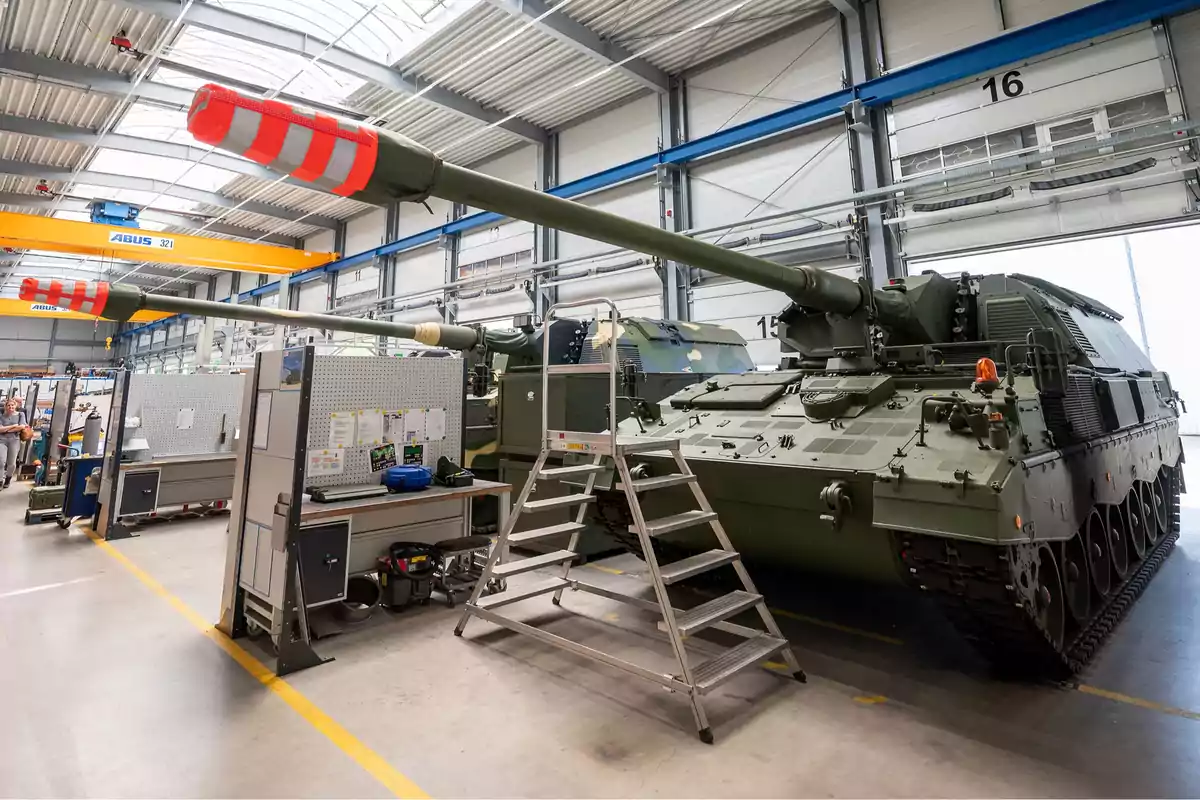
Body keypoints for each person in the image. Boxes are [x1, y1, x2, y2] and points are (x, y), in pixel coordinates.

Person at [0, 397, 28, 489]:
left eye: (12, 405)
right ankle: (0, 481)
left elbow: (22, 426)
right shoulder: (1, 416)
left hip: (14, 441)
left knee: (11, 463)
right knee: (1, 461)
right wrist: (13, 426)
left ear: (15, 406)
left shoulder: (21, 414)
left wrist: (6, 429)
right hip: (2, 440)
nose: (10, 407)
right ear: (5, 406)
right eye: (8, 405)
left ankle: (8, 479)